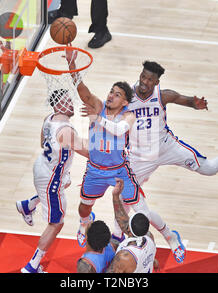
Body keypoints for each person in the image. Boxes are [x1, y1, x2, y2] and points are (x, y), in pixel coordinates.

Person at [65, 50, 186, 264]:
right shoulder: (99, 106)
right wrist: (72, 64)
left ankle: (170, 236)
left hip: (120, 172)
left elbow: (119, 130)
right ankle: (84, 222)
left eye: (117, 94)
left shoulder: (128, 115)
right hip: (95, 170)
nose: (111, 95)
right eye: (111, 92)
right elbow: (83, 92)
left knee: (142, 213)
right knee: (84, 207)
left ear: (124, 102)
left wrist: (97, 120)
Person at [127, 60, 218, 188]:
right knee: (124, 193)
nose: (144, 82)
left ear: (156, 82)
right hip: (141, 154)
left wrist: (195, 104)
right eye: (143, 76)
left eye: (150, 79)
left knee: (208, 169)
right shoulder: (126, 96)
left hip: (166, 146)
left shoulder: (163, 95)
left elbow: (186, 100)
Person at [16, 90, 89, 273]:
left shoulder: (49, 118)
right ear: (57, 105)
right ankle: (32, 266)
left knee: (65, 181)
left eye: (71, 101)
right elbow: (88, 152)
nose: (71, 104)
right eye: (67, 102)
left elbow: (42, 143)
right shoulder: (66, 130)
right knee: (57, 222)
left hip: (42, 165)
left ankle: (28, 205)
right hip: (50, 178)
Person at [106, 178, 158, 273]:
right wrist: (115, 196)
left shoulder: (124, 257)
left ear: (129, 229)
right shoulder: (149, 237)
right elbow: (122, 220)